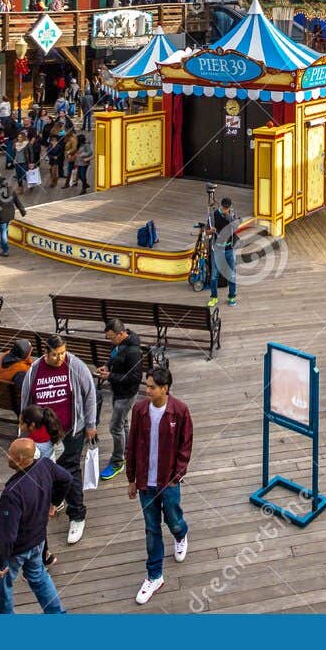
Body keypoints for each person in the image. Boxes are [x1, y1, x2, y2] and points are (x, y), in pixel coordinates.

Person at [19, 335, 97, 544]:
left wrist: (90, 425)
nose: (59, 358)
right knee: (45, 468)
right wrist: (24, 428)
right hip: (43, 434)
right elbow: (26, 399)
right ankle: (57, 499)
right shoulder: (35, 369)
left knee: (70, 471)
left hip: (71, 430)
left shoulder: (75, 365)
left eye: (62, 353)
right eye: (54, 354)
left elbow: (90, 393)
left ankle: (77, 515)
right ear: (46, 352)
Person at [126, 364, 193, 605]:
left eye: (152, 387)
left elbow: (185, 447)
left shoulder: (181, 411)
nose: (147, 391)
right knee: (151, 528)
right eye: (147, 386)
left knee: (173, 519)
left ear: (165, 389)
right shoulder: (139, 410)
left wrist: (177, 475)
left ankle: (181, 534)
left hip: (169, 482)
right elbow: (131, 444)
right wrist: (131, 479)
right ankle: (154, 575)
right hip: (145, 483)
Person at [0, 438, 70, 614]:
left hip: (16, 550)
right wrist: (54, 502)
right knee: (40, 578)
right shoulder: (45, 465)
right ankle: (57, 613)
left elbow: (7, 537)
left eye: (10, 454)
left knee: (3, 586)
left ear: (19, 460)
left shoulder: (11, 494)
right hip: (38, 541)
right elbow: (66, 478)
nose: (7, 456)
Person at [99, 319, 144, 479]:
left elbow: (135, 378)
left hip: (126, 394)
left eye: (111, 337)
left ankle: (117, 461)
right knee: (123, 423)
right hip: (117, 390)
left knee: (115, 427)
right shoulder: (120, 343)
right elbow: (113, 355)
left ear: (121, 333)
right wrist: (107, 365)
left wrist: (111, 376)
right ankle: (129, 450)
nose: (110, 340)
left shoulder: (133, 351)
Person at [208, 195, 240, 307]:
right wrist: (209, 231)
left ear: (230, 207)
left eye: (228, 208)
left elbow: (236, 227)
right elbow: (206, 231)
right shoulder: (212, 215)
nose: (225, 209)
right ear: (221, 205)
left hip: (229, 248)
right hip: (217, 249)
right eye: (224, 207)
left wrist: (228, 216)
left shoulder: (232, 214)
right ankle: (213, 297)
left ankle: (232, 297)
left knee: (231, 274)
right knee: (214, 275)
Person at [0, 175, 27, 257]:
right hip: (10, 214)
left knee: (3, 232)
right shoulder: (11, 190)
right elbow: (17, 202)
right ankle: (2, 243)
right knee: (5, 229)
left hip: (1, 215)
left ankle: (5, 250)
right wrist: (23, 211)